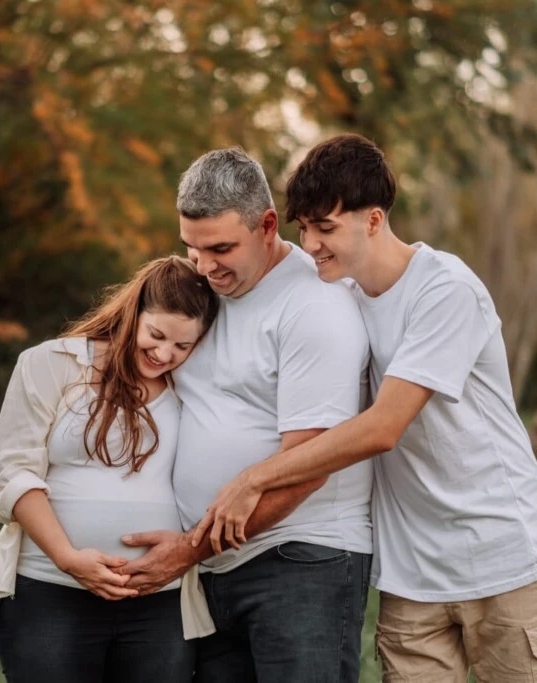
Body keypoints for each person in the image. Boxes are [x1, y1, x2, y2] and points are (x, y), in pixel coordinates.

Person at [194, 134, 537, 682]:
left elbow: (383, 427)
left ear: (373, 220)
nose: (313, 244)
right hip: (410, 578)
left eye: (327, 228)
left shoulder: (445, 289)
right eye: (305, 229)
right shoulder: (341, 297)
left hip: (500, 559)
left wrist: (254, 479)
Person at [117, 147, 374, 682]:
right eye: (193, 248)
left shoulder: (313, 307)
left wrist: (187, 551)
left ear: (267, 225)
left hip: (301, 559)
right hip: (215, 568)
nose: (205, 266)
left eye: (221, 248)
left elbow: (309, 463)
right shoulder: (203, 295)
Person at [0, 255, 219, 682]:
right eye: (156, 335)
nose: (164, 354)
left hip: (159, 604)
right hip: (51, 590)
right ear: (133, 312)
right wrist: (69, 558)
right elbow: (13, 471)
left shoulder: (192, 387)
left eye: (183, 346)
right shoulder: (52, 363)